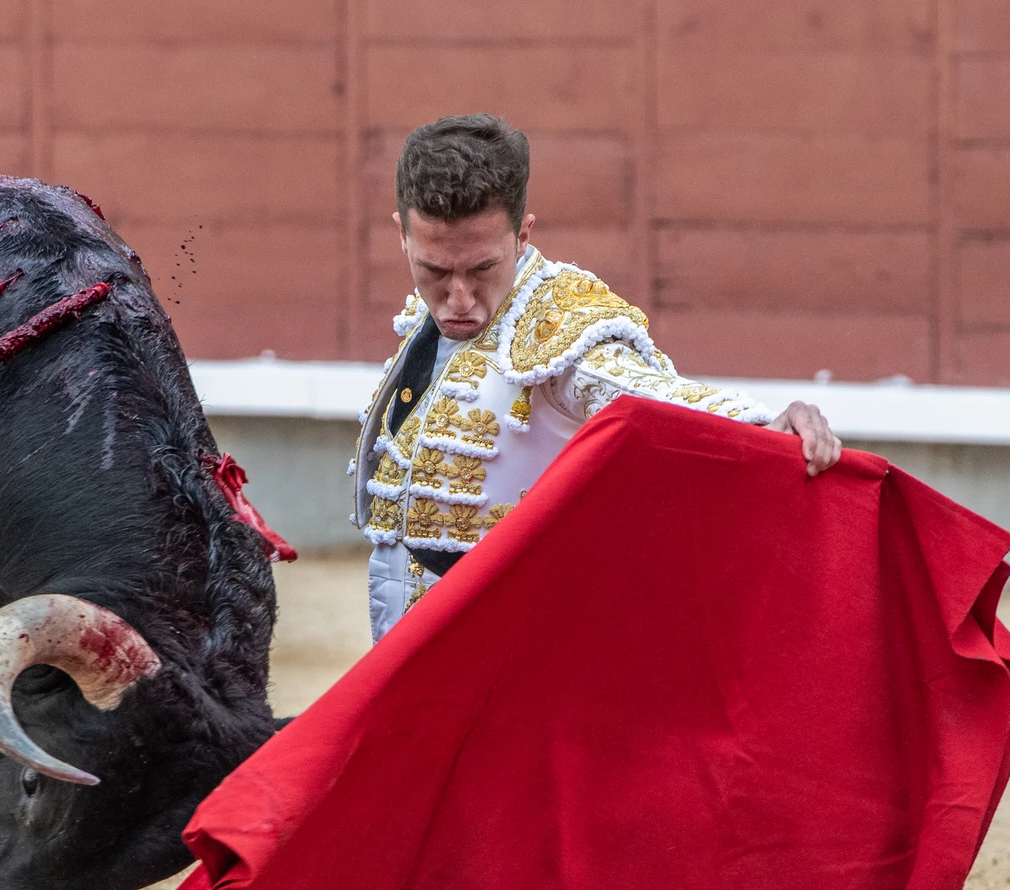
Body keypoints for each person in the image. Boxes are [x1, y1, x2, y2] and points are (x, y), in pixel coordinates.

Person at [354, 114, 842, 641]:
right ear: (402, 235)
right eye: (435, 271)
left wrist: (766, 427)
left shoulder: (560, 329)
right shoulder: (427, 327)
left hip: (509, 644)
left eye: (481, 269)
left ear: (522, 235)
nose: (460, 299)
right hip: (410, 632)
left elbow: (652, 398)